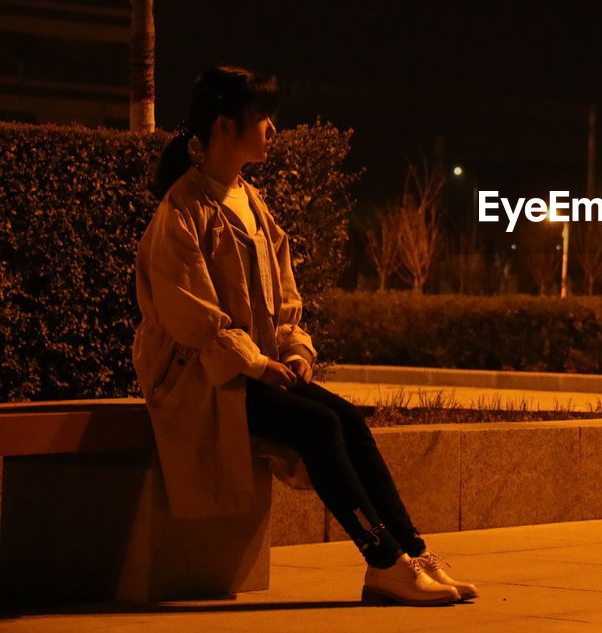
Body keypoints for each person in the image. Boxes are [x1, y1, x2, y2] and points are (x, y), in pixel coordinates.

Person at [132, 64, 477, 607]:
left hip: (253, 377)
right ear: (225, 127)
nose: (272, 129)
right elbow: (193, 321)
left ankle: (409, 552)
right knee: (318, 426)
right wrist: (263, 365)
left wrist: (295, 350)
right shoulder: (182, 210)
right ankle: (381, 560)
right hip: (201, 383)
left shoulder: (251, 201)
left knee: (347, 419)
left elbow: (284, 301)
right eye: (261, 117)